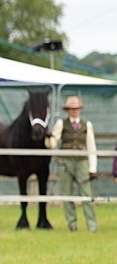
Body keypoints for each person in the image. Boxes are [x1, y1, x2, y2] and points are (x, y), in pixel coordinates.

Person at [45, 95, 98, 233]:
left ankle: (92, 226)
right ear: (67, 110)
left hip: (82, 162)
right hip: (65, 163)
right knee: (67, 195)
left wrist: (92, 168)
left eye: (76, 108)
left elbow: (91, 147)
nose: (74, 111)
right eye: (71, 108)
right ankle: (72, 226)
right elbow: (53, 143)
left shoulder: (87, 125)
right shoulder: (61, 124)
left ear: (80, 109)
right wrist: (48, 138)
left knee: (86, 195)